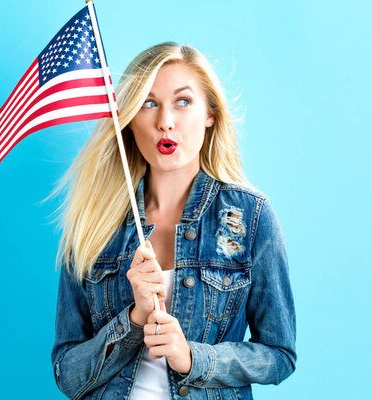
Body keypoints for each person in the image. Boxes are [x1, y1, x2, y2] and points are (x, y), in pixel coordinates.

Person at [50, 41, 296, 400]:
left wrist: (193, 357)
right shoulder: (93, 223)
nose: (165, 121)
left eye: (183, 101)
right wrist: (134, 318)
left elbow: (280, 355)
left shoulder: (250, 218)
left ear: (210, 113)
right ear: (130, 119)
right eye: (149, 103)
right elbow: (67, 375)